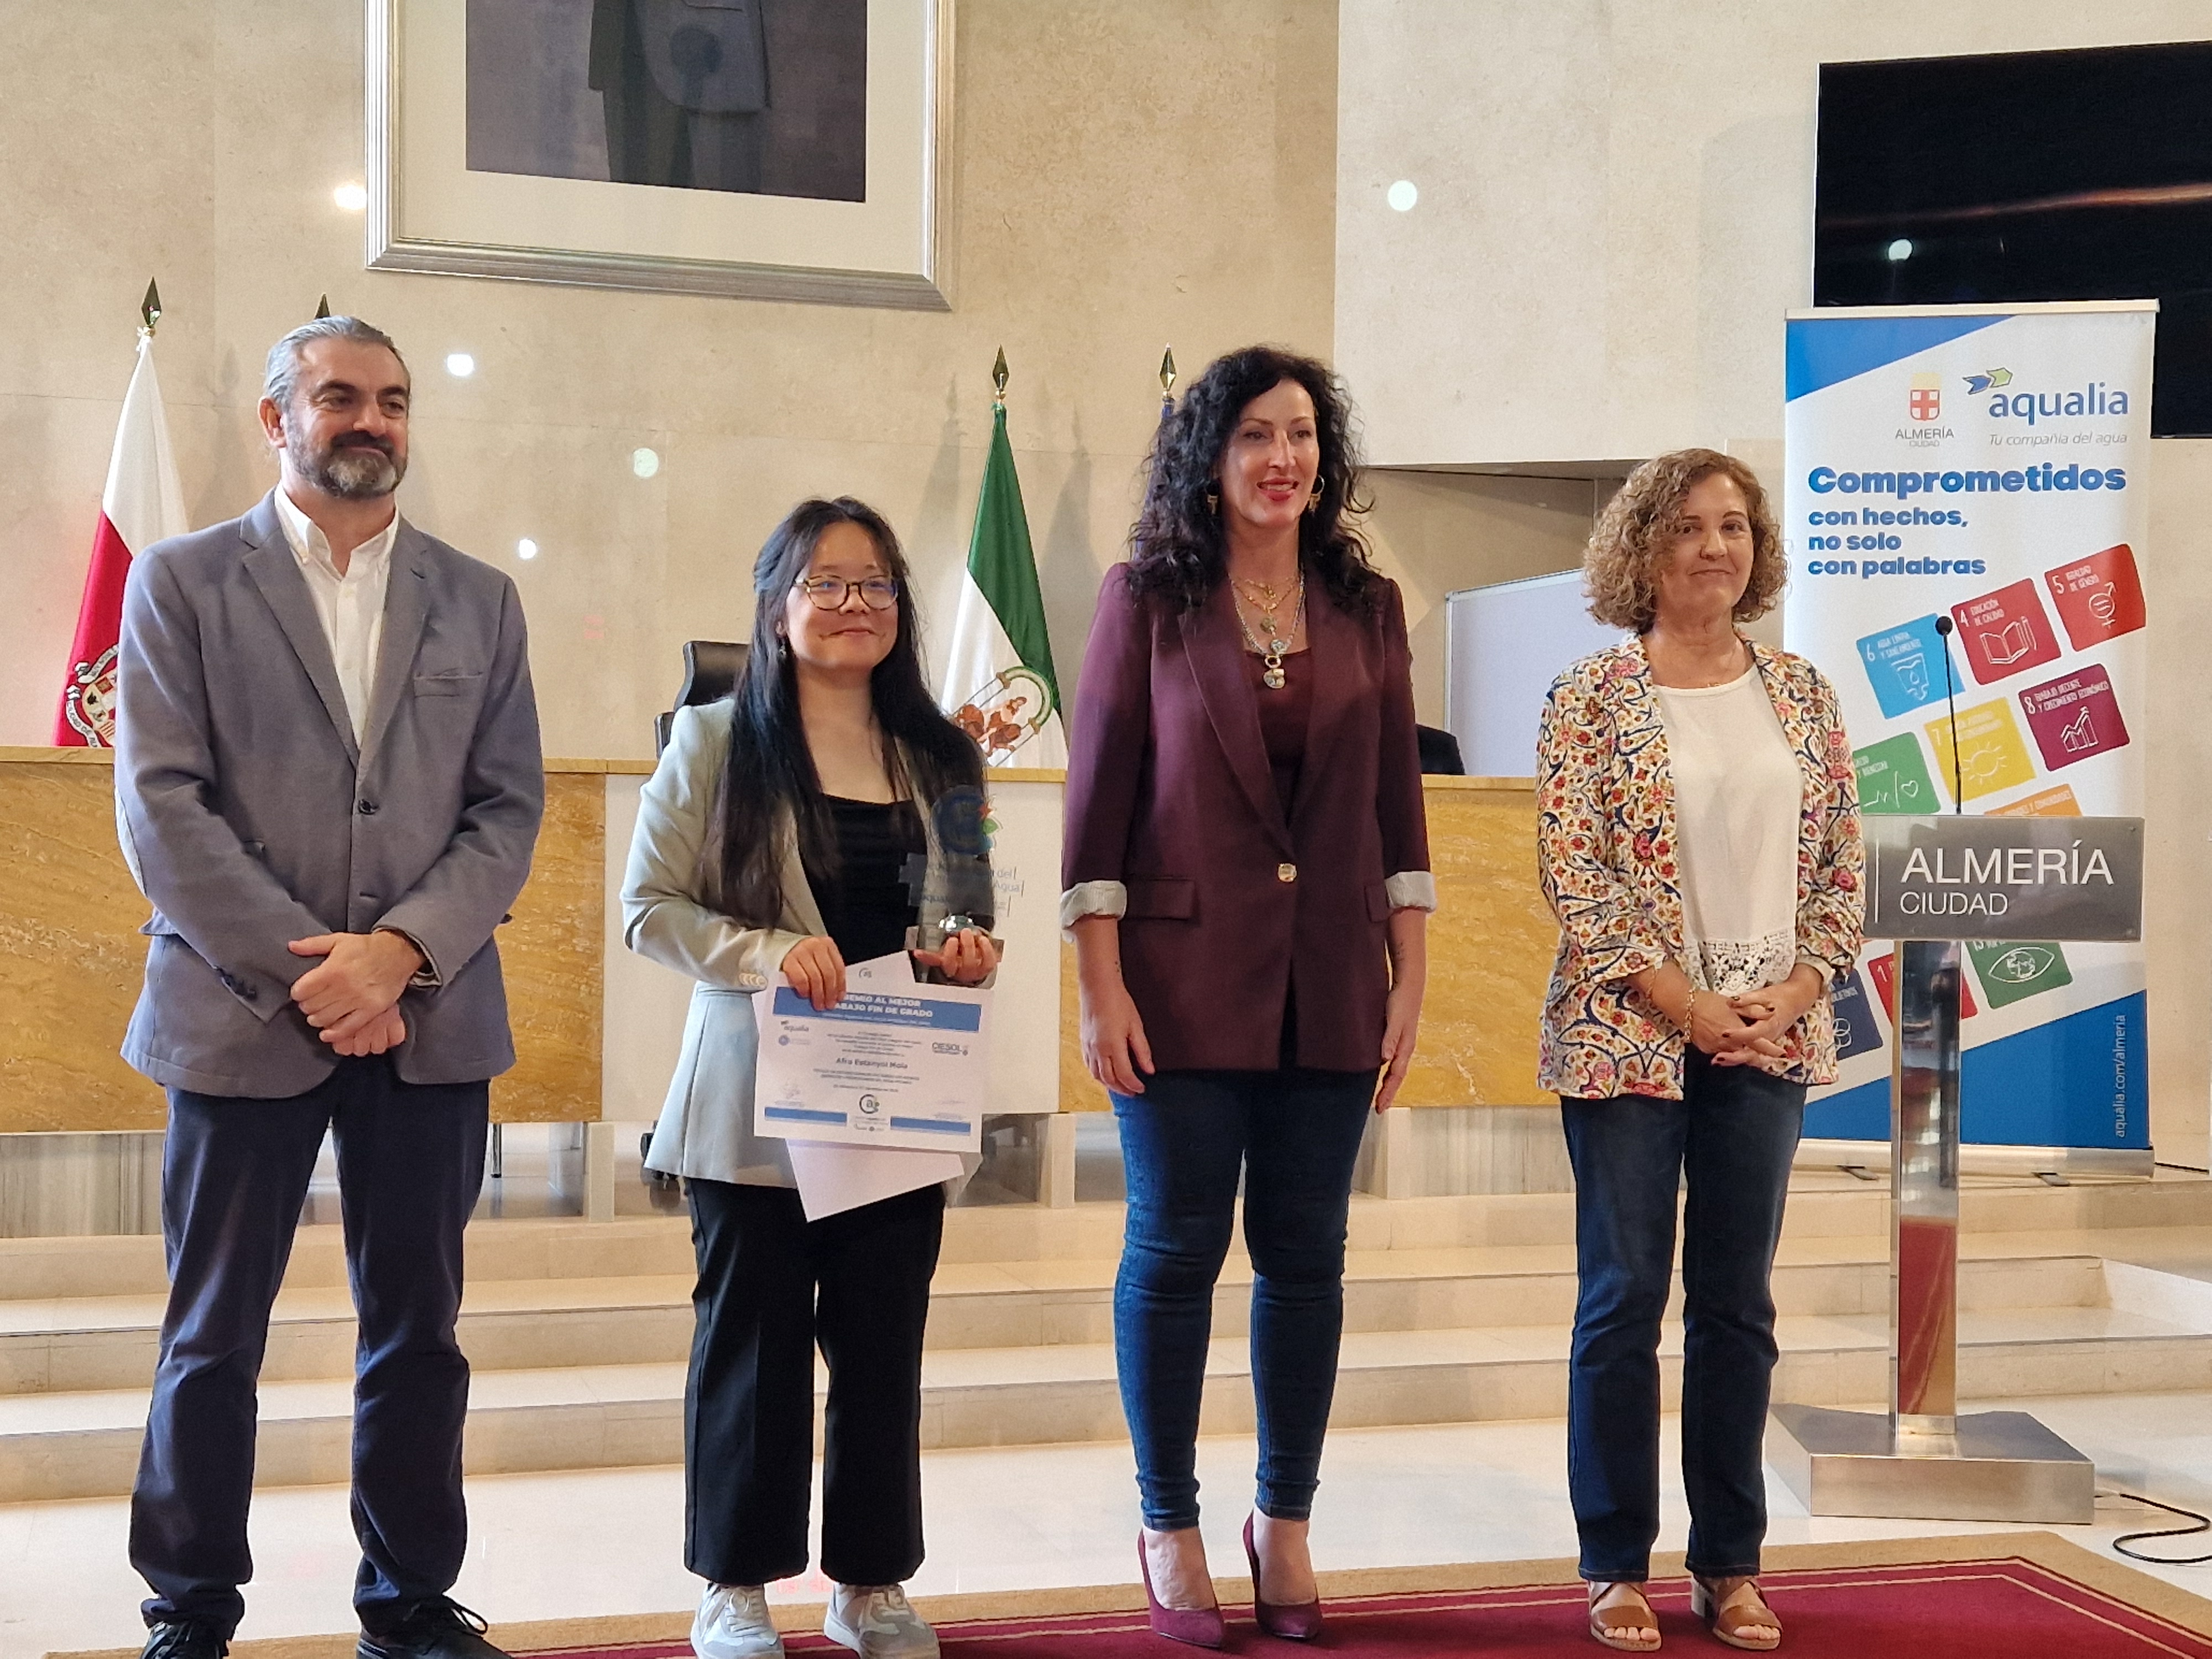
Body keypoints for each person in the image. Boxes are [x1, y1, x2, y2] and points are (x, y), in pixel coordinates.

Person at [113, 316, 544, 1659]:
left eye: (394, 401)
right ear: (277, 419)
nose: (372, 421)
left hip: (429, 1022)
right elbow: (161, 806)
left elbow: (506, 811)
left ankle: (408, 1604)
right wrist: (317, 974)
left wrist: (398, 955)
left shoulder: (479, 598)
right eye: (341, 397)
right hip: (239, 1016)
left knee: (419, 1331)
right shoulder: (183, 581)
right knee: (211, 1334)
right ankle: (190, 1609)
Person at [1062, 346, 1433, 1648]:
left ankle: (1283, 1520)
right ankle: (1166, 1521)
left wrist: (1410, 973)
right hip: (1174, 984)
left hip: (1329, 979)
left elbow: (1395, 803)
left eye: (1301, 435)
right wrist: (1098, 987)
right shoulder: (1144, 598)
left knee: (1306, 1260)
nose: (1282, 458)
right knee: (1172, 1255)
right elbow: (1096, 804)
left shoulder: (1366, 604)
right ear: (1209, 458)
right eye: (1255, 436)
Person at [625, 497, 999, 1659]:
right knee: (754, 1347)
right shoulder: (713, 742)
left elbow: (965, 908)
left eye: (875, 583)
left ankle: (870, 1586)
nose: (852, 604)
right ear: (777, 607)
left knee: (884, 1345)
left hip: (896, 1097)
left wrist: (966, 949)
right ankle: (735, 1588)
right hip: (754, 1104)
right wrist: (764, 952)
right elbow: (648, 909)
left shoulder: (944, 756)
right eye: (825, 583)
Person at [1535, 448, 1863, 1653]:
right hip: (1628, 1035)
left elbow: (1841, 867)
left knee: (1736, 1307)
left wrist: (1798, 988)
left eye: (1734, 526)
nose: (1715, 547)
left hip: (1768, 1037)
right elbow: (1574, 869)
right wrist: (1681, 1000)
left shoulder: (1804, 694)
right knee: (1622, 1300)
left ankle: (1728, 1563)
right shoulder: (1589, 695)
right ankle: (1613, 1564)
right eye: (1687, 526)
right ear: (1642, 547)